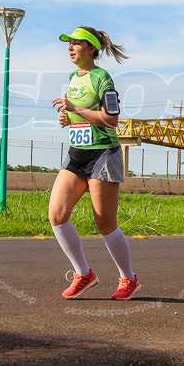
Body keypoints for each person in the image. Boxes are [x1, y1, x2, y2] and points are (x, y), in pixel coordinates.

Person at [49, 26, 139, 300]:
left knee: (105, 224)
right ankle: (83, 274)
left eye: (76, 44)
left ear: (91, 49)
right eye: (69, 44)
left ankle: (129, 279)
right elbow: (79, 118)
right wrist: (68, 119)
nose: (70, 48)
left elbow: (112, 120)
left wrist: (76, 109)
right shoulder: (73, 78)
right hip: (77, 153)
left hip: (103, 154)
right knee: (56, 215)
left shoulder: (102, 78)